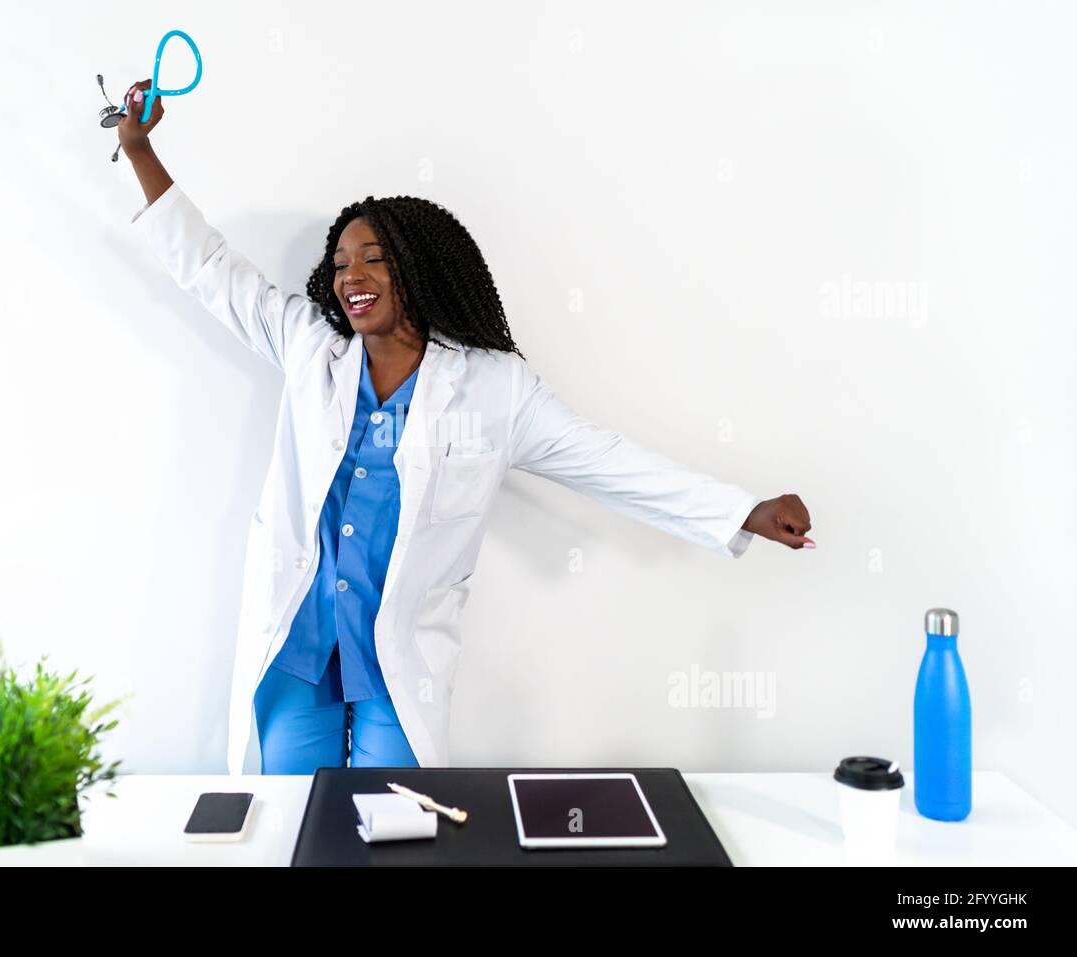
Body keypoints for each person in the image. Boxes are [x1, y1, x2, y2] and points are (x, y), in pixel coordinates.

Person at [118, 80, 815, 775]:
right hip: (299, 644)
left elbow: (604, 459)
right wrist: (139, 148)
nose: (349, 276)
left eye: (372, 259)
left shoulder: (493, 387)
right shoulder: (310, 350)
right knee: (296, 824)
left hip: (399, 660)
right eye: (339, 263)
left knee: (398, 824)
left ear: (417, 269)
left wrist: (741, 509)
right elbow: (210, 268)